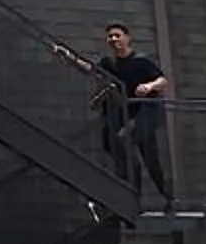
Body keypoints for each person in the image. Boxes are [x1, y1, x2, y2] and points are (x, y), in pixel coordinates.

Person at [51, 23, 171, 205]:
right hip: (122, 116)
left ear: (127, 38)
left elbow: (163, 80)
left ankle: (167, 198)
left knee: (149, 159)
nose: (113, 39)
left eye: (117, 35)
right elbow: (89, 69)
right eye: (110, 37)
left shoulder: (140, 61)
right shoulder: (109, 64)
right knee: (115, 144)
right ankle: (132, 195)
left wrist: (149, 86)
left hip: (143, 115)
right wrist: (68, 57)